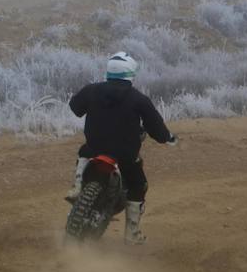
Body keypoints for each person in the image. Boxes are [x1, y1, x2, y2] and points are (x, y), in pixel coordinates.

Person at [66, 52, 177, 245]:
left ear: (109, 70)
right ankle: (132, 234)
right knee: (138, 185)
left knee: (84, 151)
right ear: (130, 73)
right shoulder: (138, 98)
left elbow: (75, 108)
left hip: (94, 150)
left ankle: (77, 187)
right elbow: (156, 127)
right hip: (124, 156)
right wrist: (167, 138)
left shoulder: (91, 90)